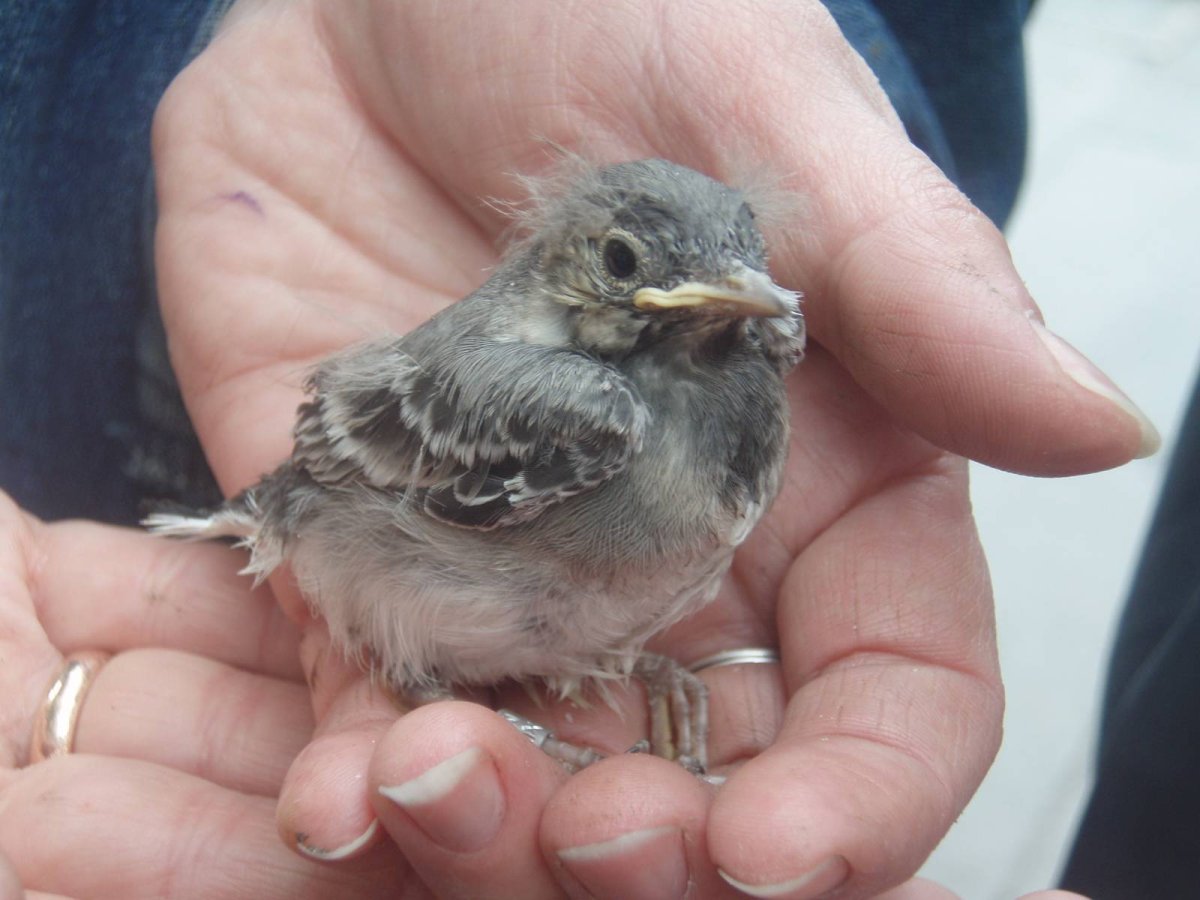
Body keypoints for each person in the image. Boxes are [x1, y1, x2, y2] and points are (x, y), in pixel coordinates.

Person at [0, 0, 1156, 897]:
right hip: (348, 514)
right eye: (623, 267)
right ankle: (452, 698)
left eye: (739, 263)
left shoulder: (751, 369)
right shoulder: (575, 412)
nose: (729, 297)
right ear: (574, 266)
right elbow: (347, 460)